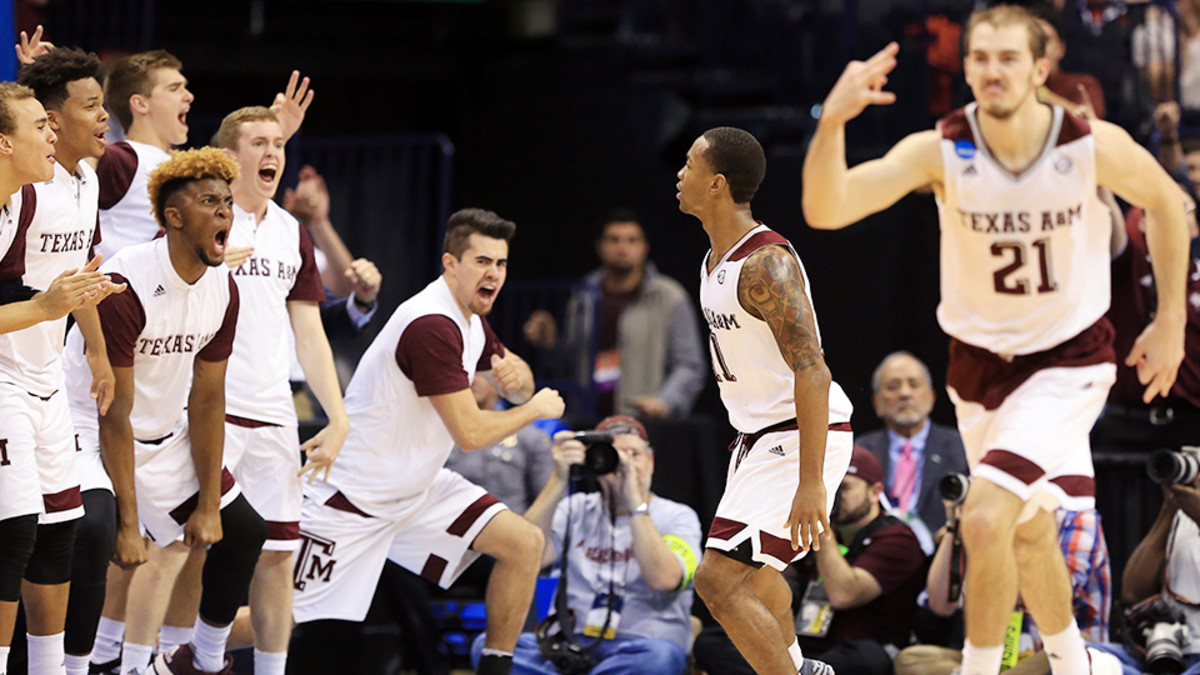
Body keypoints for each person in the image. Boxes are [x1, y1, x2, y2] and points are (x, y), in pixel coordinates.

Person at [802, 5, 1189, 673]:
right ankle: (1077, 664)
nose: (991, 71)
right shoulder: (944, 149)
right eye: (979, 58)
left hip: (1068, 360)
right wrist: (833, 119)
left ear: (1041, 67)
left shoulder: (1087, 143)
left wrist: (1171, 322)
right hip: (977, 368)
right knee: (1030, 530)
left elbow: (1164, 201)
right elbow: (827, 207)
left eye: (1008, 58)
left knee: (983, 519)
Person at [289, 208, 565, 675]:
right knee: (281, 619)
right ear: (450, 264)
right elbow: (471, 433)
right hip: (352, 499)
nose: (493, 273)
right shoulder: (431, 324)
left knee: (524, 543)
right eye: (482, 261)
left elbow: (514, 377)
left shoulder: (471, 320)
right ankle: (187, 651)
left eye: (500, 263)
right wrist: (534, 409)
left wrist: (520, 382)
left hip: (416, 490)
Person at [72, 147, 269, 675]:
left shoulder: (224, 288)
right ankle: (82, 664)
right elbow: (115, 410)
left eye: (228, 202)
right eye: (210, 202)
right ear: (174, 218)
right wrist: (130, 523)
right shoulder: (125, 283)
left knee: (243, 528)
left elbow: (208, 398)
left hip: (162, 433)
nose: (225, 212)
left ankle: (198, 662)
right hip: (88, 430)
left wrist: (208, 501)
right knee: (99, 532)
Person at [677, 125, 855, 675]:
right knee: (755, 574)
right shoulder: (713, 262)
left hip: (796, 436)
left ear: (717, 184)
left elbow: (814, 371)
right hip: (757, 438)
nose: (680, 174)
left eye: (689, 165)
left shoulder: (765, 264)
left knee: (715, 580)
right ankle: (801, 666)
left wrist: (810, 479)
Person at [199, 105, 349, 675]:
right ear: (229, 155)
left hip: (272, 413)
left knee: (279, 556)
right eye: (258, 142)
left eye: (279, 144)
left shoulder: (291, 232)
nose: (272, 154)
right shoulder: (201, 214)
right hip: (206, 408)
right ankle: (173, 659)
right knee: (192, 546)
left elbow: (308, 332)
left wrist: (337, 417)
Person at [11, 46, 129, 675]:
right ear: (52, 122)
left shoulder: (84, 181)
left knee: (75, 527)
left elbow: (74, 274)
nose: (105, 116)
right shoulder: (24, 187)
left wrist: (102, 354)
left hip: (50, 378)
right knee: (20, 533)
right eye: (92, 106)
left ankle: (59, 667)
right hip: (6, 374)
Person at [470, 415, 700, 674]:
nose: (625, 465)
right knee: (489, 648)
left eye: (634, 454)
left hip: (639, 647)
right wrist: (558, 478)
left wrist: (635, 502)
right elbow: (524, 554)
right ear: (595, 463)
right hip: (567, 647)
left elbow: (665, 580)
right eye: (614, 456)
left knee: (660, 658)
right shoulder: (575, 509)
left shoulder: (678, 516)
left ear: (651, 461)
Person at [694, 445, 927, 675]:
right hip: (808, 644)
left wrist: (819, 520)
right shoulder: (812, 527)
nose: (834, 497)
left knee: (864, 656)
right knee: (713, 640)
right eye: (830, 487)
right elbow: (770, 579)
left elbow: (843, 594)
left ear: (875, 492)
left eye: (842, 488)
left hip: (861, 647)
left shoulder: (897, 538)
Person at [523, 211, 705, 419]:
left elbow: (689, 364)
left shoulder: (669, 296)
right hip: (587, 415)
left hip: (642, 419)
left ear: (645, 247)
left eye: (632, 240)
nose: (622, 248)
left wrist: (664, 401)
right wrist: (551, 343)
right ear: (599, 246)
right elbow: (572, 361)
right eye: (614, 240)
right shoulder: (584, 294)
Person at [896, 504, 1113, 675]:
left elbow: (1049, 593)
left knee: (1073, 647)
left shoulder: (1078, 517)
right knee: (910, 661)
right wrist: (956, 526)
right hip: (1001, 656)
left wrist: (995, 540)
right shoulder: (987, 519)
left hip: (1055, 653)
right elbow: (940, 604)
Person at [856, 351, 969, 550]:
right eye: (893, 387)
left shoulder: (962, 447)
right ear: (877, 404)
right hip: (875, 554)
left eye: (914, 384)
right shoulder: (860, 450)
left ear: (932, 397)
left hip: (942, 552)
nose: (905, 394)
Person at [444, 376, 553, 515]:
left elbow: (549, 500)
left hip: (512, 529)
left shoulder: (530, 437)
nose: (472, 379)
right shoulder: (439, 434)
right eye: (467, 371)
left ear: (500, 384)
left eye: (481, 372)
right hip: (447, 527)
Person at [1028, 4, 1106, 119]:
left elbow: (1091, 122)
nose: (1040, 47)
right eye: (1034, 40)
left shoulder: (1083, 85)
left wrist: (1041, 93)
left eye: (1045, 40)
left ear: (1061, 49)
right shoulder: (1012, 86)